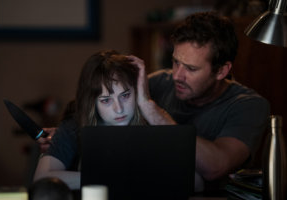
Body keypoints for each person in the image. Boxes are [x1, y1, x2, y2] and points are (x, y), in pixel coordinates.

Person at [127, 11, 270, 191]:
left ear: (221, 71)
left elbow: (216, 166)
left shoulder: (249, 106)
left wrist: (157, 115)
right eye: (176, 62)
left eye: (191, 69)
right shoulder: (157, 83)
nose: (177, 76)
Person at [33, 50, 146, 190]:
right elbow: (42, 178)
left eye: (125, 96)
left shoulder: (152, 118)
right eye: (106, 100)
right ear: (92, 102)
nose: (119, 109)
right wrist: (108, 178)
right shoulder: (74, 126)